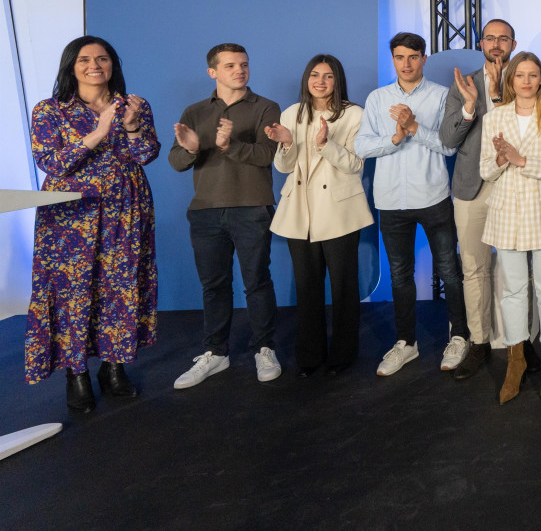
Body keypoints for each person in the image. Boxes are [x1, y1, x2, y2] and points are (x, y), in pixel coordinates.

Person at [25, 36, 160, 412]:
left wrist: (132, 128)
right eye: (84, 59)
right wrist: (98, 133)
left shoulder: (135, 105)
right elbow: (51, 162)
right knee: (72, 290)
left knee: (120, 285)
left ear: (113, 65)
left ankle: (114, 368)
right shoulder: (50, 110)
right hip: (69, 217)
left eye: (102, 58)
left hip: (126, 210)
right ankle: (76, 372)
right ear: (72, 66)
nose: (94, 65)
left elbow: (146, 155)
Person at [355, 33, 469, 377]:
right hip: (390, 200)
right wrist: (395, 137)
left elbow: (448, 147)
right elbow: (362, 147)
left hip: (433, 195)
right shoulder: (377, 98)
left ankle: (460, 336)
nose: (406, 63)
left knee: (450, 270)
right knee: (401, 276)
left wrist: (413, 126)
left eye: (413, 57)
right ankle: (406, 343)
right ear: (392, 59)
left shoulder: (439, 95)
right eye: (400, 57)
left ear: (423, 58)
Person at [170, 43, 283, 388]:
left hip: (252, 208)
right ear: (212, 72)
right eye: (231, 65)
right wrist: (191, 149)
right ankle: (215, 353)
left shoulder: (265, 107)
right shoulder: (194, 111)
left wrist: (228, 145)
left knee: (256, 282)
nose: (239, 70)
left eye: (244, 64)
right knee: (214, 286)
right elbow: (176, 161)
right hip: (205, 211)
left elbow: (267, 156)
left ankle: (264, 348)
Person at [440, 19, 541, 379]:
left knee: (520, 270)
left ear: (514, 42)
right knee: (474, 268)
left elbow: (529, 133)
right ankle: (479, 342)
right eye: (490, 38)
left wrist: (499, 95)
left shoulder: (527, 79)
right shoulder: (463, 83)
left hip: (515, 186)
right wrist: (470, 107)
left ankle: (521, 341)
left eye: (503, 38)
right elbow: (449, 140)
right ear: (481, 42)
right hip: (471, 188)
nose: (496, 44)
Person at [266, 54, 373, 377]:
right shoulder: (292, 113)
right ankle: (309, 356)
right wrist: (286, 145)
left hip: (340, 210)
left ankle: (343, 355)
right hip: (301, 211)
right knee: (307, 287)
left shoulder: (354, 114)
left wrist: (326, 144)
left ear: (337, 81)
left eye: (328, 76)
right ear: (306, 79)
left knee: (343, 287)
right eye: (315, 75)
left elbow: (356, 164)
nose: (321, 82)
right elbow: (283, 168)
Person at [481, 52, 541, 404]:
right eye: (519, 74)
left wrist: (523, 159)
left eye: (532, 75)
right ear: (510, 79)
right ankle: (515, 362)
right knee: (513, 291)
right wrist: (501, 160)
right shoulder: (496, 117)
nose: (525, 80)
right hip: (507, 215)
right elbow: (484, 172)